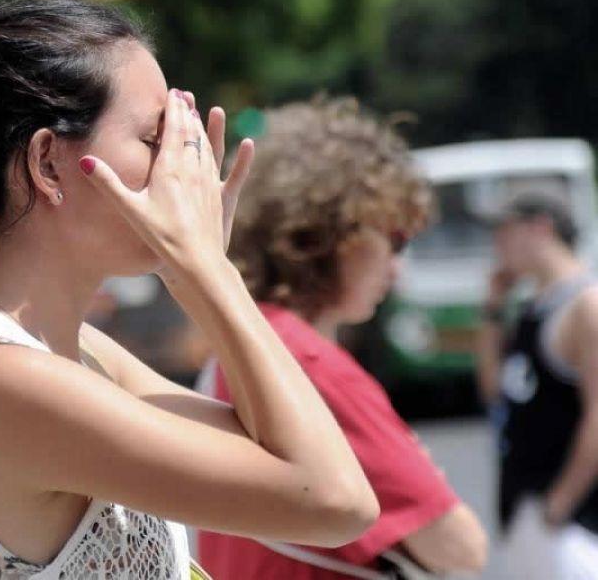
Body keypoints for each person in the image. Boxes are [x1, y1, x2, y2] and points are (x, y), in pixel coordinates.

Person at [0, 0, 379, 580]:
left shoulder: (80, 355)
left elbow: (276, 450)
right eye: (154, 140)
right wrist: (207, 269)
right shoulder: (6, 381)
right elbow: (336, 502)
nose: (181, 164)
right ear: (48, 163)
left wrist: (192, 268)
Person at [197, 98, 488, 579]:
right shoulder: (309, 365)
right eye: (394, 238)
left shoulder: (242, 340)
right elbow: (460, 546)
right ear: (330, 234)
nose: (396, 266)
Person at [476, 194, 598, 579]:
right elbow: (495, 389)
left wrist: (559, 505)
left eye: (504, 232)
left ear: (541, 228)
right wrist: (493, 309)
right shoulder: (533, 307)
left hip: (574, 523)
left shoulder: (585, 306)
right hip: (526, 505)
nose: (497, 246)